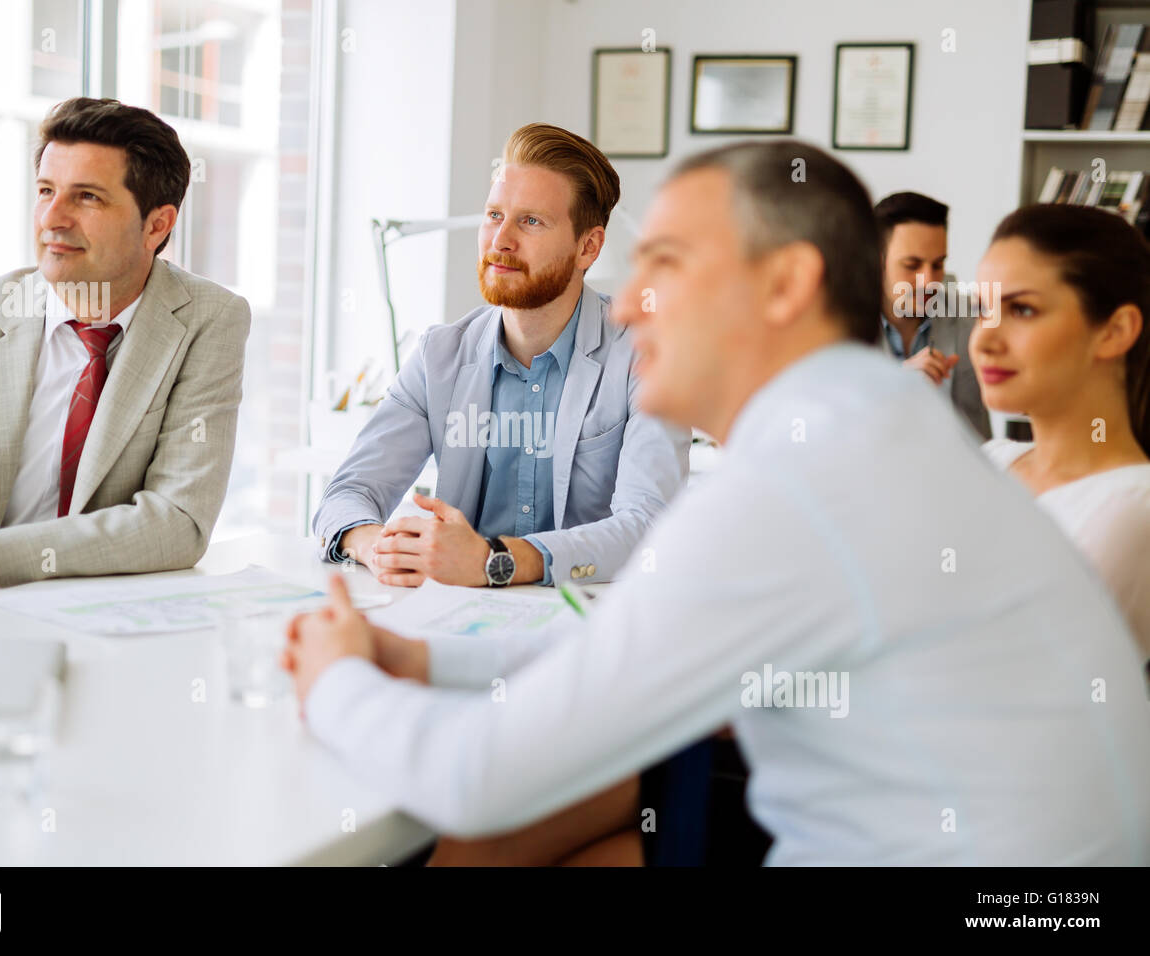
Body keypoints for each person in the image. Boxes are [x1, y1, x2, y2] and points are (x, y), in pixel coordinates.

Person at [284, 140, 1150, 866]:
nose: (632, 301)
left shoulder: (797, 484)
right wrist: (419, 660)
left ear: (784, 286)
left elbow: (473, 778)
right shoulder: (865, 426)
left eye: (666, 264)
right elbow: (618, 642)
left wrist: (332, 679)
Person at [0, 98, 250, 612]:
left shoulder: (208, 320)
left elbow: (177, 520)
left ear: (156, 226)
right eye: (45, 191)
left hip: (107, 625)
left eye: (87, 197)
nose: (52, 219)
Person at [312, 123, 689, 589]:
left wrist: (498, 561)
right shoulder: (439, 355)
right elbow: (347, 494)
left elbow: (646, 527)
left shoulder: (646, 353)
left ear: (588, 247)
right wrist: (377, 546)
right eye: (494, 215)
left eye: (531, 221)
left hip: (592, 621)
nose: (500, 241)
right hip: (463, 618)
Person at [973, 203, 1150, 662]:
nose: (985, 340)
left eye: (1022, 310)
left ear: (1114, 331)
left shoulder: (1130, 511)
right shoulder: (991, 458)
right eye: (981, 310)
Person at [874, 191, 991, 439]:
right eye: (912, 266)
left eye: (937, 264)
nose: (929, 281)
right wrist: (896, 387)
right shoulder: (838, 323)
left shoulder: (967, 321)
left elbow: (975, 439)